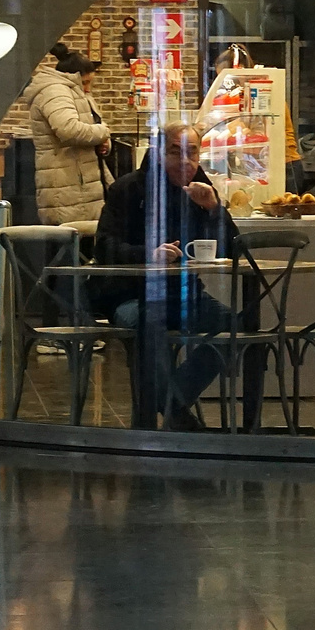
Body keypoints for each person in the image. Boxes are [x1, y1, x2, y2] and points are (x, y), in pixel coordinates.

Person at [92, 122, 258, 431]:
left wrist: (213, 209)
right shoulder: (128, 189)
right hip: (129, 295)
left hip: (184, 293)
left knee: (237, 327)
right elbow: (104, 247)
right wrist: (149, 253)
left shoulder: (201, 189)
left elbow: (235, 249)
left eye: (192, 153)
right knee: (148, 321)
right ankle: (178, 415)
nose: (185, 161)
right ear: (157, 154)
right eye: (175, 152)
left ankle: (173, 403)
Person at [27, 45, 111, 226]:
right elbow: (69, 129)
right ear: (73, 77)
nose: (88, 89)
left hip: (81, 182)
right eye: (86, 82)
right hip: (67, 185)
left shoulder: (74, 92)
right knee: (71, 245)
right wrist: (104, 132)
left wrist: (104, 143)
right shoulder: (55, 91)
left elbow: (91, 126)